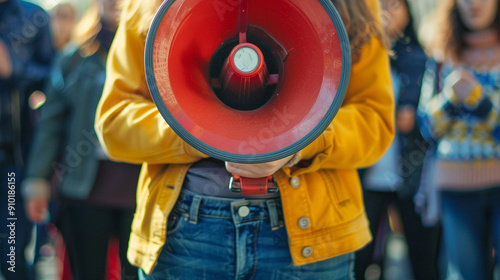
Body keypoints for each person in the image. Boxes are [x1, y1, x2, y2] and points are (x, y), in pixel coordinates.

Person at [94, 0, 395, 279]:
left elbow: (375, 122)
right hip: (185, 234)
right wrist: (200, 133)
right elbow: (114, 124)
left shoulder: (352, 4)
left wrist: (299, 142)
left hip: (312, 239)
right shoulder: (150, 5)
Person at [21, 0, 141, 279]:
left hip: (139, 190)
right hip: (85, 190)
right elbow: (51, 124)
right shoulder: (73, 58)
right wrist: (37, 182)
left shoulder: (153, 56)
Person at [354, 0, 442, 279]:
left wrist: (414, 117)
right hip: (367, 173)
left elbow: (434, 114)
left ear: (408, 11)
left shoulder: (421, 58)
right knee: (361, 259)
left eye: (394, 5)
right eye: (381, 4)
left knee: (421, 256)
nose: (387, 12)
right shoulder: (358, 57)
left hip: (411, 174)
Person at [417, 0, 500, 278]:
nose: (473, 4)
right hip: (456, 188)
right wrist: (451, 99)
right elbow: (427, 126)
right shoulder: (442, 54)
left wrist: (478, 100)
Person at [0, 0, 54, 279]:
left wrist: (13, 67)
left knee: (10, 250)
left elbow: (54, 79)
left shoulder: (33, 16)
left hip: (12, 156)